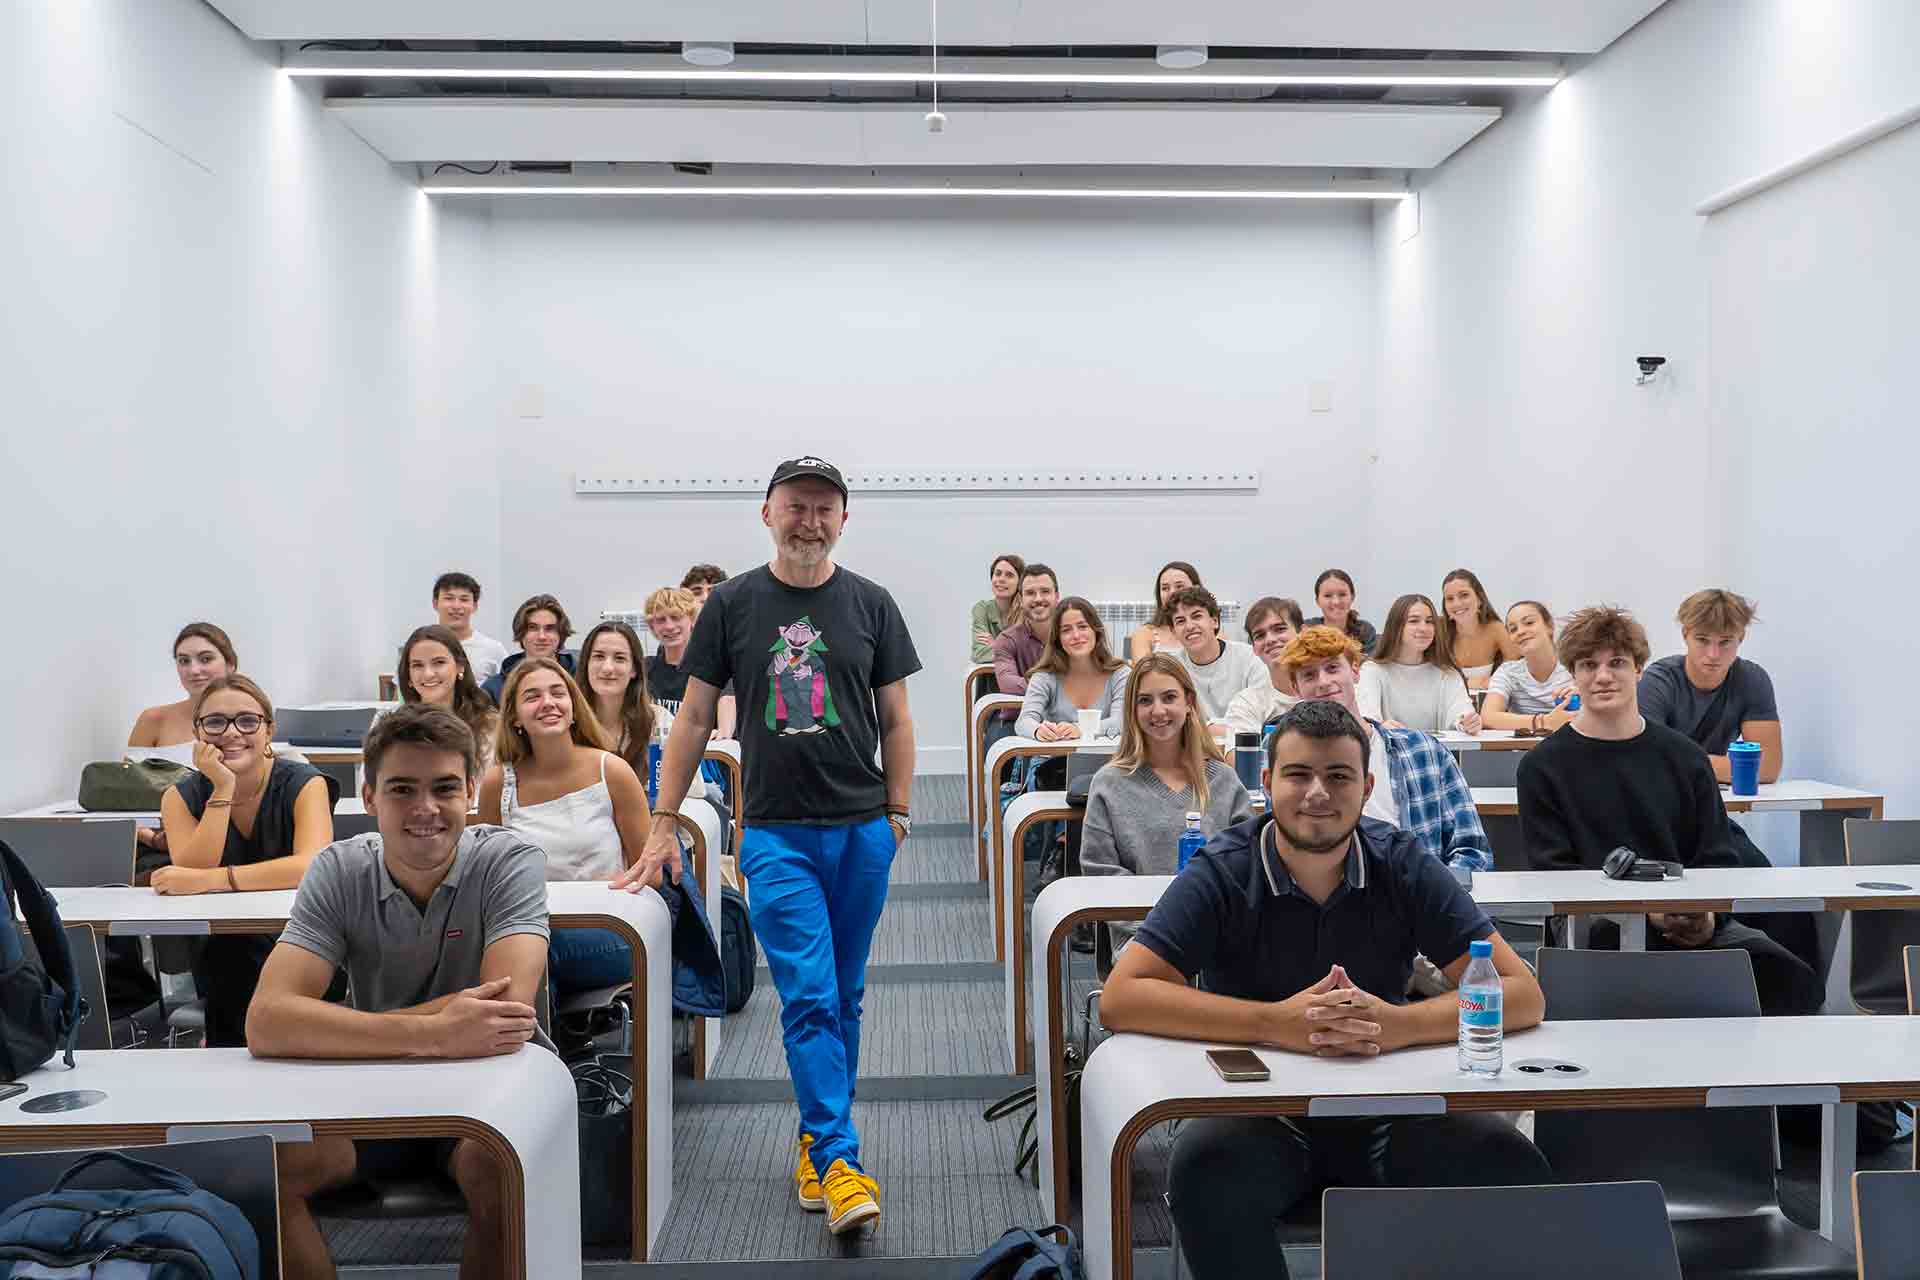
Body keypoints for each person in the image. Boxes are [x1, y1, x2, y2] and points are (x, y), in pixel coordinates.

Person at [1100, 699, 1549, 1279]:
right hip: (1261, 1113)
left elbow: (1521, 992)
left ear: (1365, 787)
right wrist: (1275, 1025)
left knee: (1507, 1160)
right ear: (1266, 782)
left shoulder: (1402, 862)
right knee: (1204, 1172)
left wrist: (1398, 1025)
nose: (1318, 792)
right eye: (1297, 774)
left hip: (1390, 1105)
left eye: (1338, 776)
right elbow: (1123, 996)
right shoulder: (1223, 868)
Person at [618, 456, 920, 1236]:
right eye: (796, 506)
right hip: (777, 834)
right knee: (811, 997)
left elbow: (897, 719)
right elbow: (689, 721)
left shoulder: (873, 605)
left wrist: (898, 816)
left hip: (861, 832)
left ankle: (817, 1141)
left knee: (844, 997)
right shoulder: (731, 603)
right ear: (767, 513)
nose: (809, 520)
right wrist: (663, 818)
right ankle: (841, 1159)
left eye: (825, 508)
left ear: (843, 520)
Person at [246, 702, 551, 1280]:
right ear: (369, 797)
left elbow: (503, 1015)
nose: (425, 809)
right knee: (266, 1167)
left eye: (443, 788)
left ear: (469, 791)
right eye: (402, 789)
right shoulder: (339, 868)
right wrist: (434, 1031)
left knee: (501, 1166)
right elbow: (266, 1021)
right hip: (370, 1089)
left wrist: (334, 1023)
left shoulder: (510, 861)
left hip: (484, 1094)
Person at [1515, 606, 1819, 1015]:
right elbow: (1554, 876)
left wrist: (1705, 915)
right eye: (1589, 665)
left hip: (1693, 919)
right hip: (1595, 927)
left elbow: (1719, 856)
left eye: (1617, 663)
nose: (1603, 676)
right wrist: (1648, 913)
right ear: (1574, 674)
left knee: (1793, 982)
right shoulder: (1541, 768)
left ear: (1640, 669)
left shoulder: (1684, 757)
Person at [1635, 589, 1818, 987]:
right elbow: (1654, 762)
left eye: (1725, 643)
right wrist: (1727, 766)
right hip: (1658, 820)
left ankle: (1803, 998)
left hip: (1712, 819)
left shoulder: (1751, 678)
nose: (1713, 654)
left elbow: (1767, 765)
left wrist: (1693, 764)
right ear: (1685, 634)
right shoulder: (1659, 680)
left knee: (1786, 904)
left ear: (1740, 640)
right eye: (1703, 640)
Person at [156, 675, 339, 1047]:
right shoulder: (179, 796)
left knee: (246, 956)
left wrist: (213, 881)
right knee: (233, 953)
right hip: (223, 951)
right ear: (198, 731)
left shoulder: (304, 784)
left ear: (269, 730)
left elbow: (311, 865)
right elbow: (191, 870)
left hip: (305, 939)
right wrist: (222, 788)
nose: (232, 732)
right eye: (215, 722)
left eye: (247, 721)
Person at [477, 659, 652, 1000]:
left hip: (612, 929)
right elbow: (487, 874)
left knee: (525, 956)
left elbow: (651, 873)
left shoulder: (612, 771)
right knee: (527, 958)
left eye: (558, 693)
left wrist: (597, 888)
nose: (547, 703)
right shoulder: (498, 783)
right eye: (532, 696)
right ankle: (555, 1045)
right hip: (530, 926)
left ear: (573, 709)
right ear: (514, 717)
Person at [1281, 626, 1491, 869]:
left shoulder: (1424, 751)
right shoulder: (1287, 763)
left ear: (1355, 671)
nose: (1324, 682)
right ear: (1295, 689)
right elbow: (1290, 856)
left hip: (1419, 896)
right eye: (1309, 675)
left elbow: (1472, 851)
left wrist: (1431, 894)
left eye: (1332, 668)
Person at [1080, 656, 1252, 945]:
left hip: (1218, 933)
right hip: (1142, 939)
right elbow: (1100, 874)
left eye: (1169, 697)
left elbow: (1247, 866)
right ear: (1132, 711)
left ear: (1189, 702)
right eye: (1145, 701)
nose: (1158, 710)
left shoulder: (1224, 780)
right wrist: (1162, 931)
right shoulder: (1109, 783)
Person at [1356, 595, 1481, 734]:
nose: (1423, 628)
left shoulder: (1447, 673)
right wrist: (1381, 727)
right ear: (1396, 627)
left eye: (1429, 622)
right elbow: (1366, 719)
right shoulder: (1372, 671)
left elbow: (1462, 713)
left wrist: (1468, 723)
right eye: (1414, 621)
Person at [1014, 596, 1129, 741]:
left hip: (1106, 759)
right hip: (1054, 760)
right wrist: (1038, 730)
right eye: (1066, 630)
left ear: (1096, 630)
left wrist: (1080, 729)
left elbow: (1121, 722)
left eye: (1082, 626)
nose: (1076, 635)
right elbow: (1023, 722)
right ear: (1058, 639)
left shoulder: (1120, 674)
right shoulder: (1044, 677)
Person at [397, 625, 499, 774]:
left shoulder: (490, 725)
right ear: (409, 676)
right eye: (417, 665)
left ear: (460, 666)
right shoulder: (392, 726)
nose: (428, 674)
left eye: (439, 662)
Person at [644, 586, 739, 739]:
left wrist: (723, 733)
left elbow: (727, 699)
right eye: (661, 620)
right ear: (652, 627)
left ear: (692, 620)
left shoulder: (712, 666)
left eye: (676, 617)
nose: (669, 626)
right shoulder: (645, 668)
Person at [128, 622, 238, 752]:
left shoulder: (253, 721)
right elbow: (128, 772)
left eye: (206, 659)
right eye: (184, 661)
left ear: (230, 664)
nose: (194, 670)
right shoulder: (153, 720)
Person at [1168, 586, 1267, 728]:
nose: (1189, 626)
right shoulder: (1172, 668)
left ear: (1214, 621)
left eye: (1196, 616)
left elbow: (1259, 717)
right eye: (1180, 621)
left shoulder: (1249, 658)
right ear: (1173, 632)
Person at [1480, 601, 1576, 733]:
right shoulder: (1508, 672)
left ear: (1550, 626)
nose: (1520, 632)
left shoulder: (1575, 666)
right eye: (1513, 629)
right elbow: (1488, 717)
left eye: (1529, 623)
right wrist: (1545, 722)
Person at [990, 563, 1059, 723]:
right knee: (995, 744)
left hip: (1064, 721)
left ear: (1057, 596)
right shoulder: (1006, 639)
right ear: (1020, 600)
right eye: (1030, 593)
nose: (1038, 599)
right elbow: (1008, 684)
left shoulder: (1070, 636)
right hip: (1015, 721)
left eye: (1045, 592)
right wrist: (1058, 689)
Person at [1226, 596, 1304, 734]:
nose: (1270, 640)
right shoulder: (1247, 703)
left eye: (1279, 629)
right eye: (1260, 635)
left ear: (1302, 633)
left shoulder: (1331, 686)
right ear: (1254, 648)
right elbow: (1239, 755)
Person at [480, 594, 576, 704]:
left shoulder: (582, 678)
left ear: (561, 633)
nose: (541, 637)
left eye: (549, 628)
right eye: (532, 628)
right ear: (521, 633)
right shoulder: (494, 688)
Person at [1441, 568, 1518, 689]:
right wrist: (1472, 683)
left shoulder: (1495, 629)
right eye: (1450, 599)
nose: (1456, 604)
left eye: (1464, 595)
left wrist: (1492, 682)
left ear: (1479, 599)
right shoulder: (1439, 631)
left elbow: (1516, 671)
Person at [431, 572, 508, 687]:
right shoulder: (421, 646)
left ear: (475, 606)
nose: (456, 606)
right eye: (449, 598)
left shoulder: (493, 650)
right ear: (435, 603)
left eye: (464, 599)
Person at [1127, 561, 1202, 660]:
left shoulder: (1215, 635)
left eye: (1179, 586)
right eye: (1165, 588)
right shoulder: (1145, 635)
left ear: (1196, 588)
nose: (1172, 592)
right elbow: (1142, 672)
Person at [969, 553, 1027, 663]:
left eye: (1009, 575)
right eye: (998, 574)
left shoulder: (1027, 611)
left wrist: (997, 644)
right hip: (989, 678)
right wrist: (1011, 649)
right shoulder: (982, 609)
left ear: (1020, 582)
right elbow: (979, 654)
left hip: (1020, 678)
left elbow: (1028, 654)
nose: (1001, 579)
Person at [1305, 568, 1377, 655]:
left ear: (1352, 597)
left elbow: (1367, 666)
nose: (1336, 602)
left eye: (1342, 594)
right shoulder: (1307, 629)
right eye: (1328, 596)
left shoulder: (1365, 631)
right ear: (1317, 601)